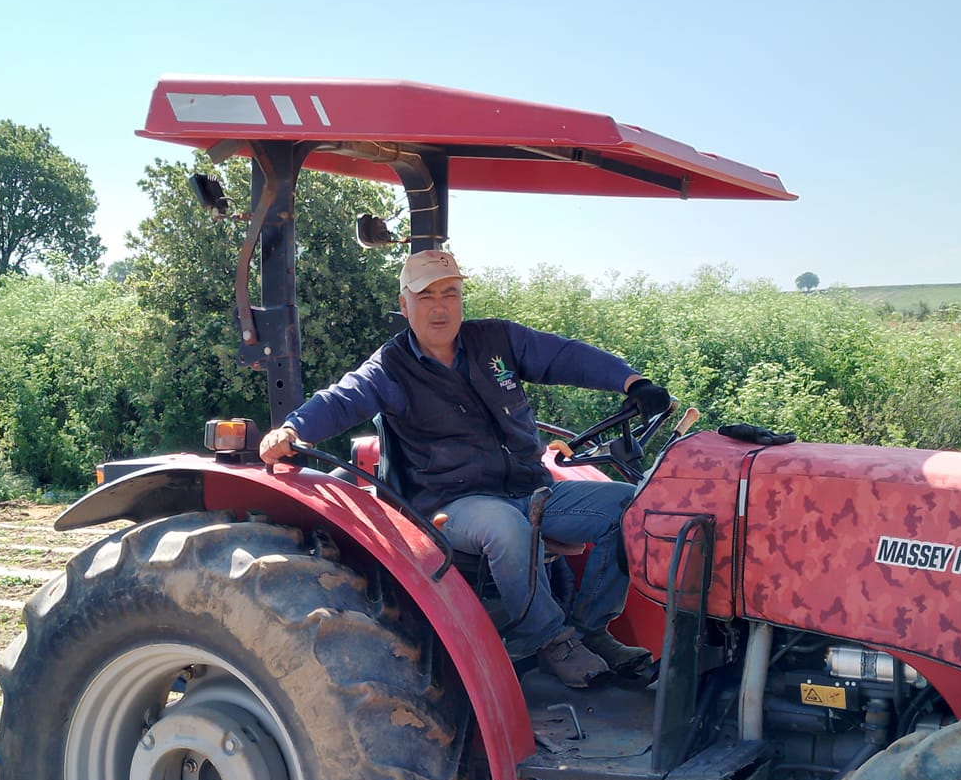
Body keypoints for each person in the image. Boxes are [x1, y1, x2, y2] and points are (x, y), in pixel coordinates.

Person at [258, 248, 672, 687]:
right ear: (404, 304)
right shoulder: (389, 369)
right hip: (451, 504)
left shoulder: (496, 342)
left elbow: (564, 355)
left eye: (450, 293)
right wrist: (292, 428)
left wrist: (631, 382)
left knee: (631, 507)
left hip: (530, 488)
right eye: (426, 295)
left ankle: (590, 630)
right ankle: (551, 640)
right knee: (505, 527)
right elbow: (341, 399)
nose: (440, 306)